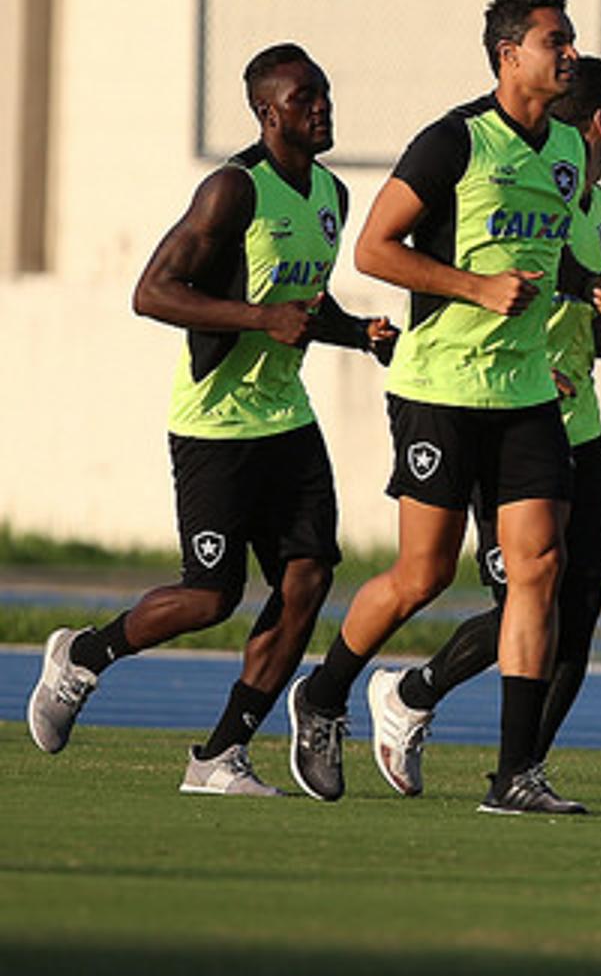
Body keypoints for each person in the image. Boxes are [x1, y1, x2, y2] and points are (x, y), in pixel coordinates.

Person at [288, 0, 601, 815]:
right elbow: (372, 248)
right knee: (423, 572)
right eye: (557, 40)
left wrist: (592, 292)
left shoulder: (569, 156)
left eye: (571, 38)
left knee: (540, 568)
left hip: (526, 392)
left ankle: (515, 774)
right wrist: (473, 287)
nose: (570, 53)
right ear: (511, 55)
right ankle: (323, 696)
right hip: (439, 387)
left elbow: (545, 255)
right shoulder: (453, 141)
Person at [26, 44, 396, 796]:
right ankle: (84, 655)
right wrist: (262, 318)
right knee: (211, 595)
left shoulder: (330, 194)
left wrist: (356, 333)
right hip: (215, 425)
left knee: (309, 577)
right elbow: (153, 291)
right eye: (304, 99)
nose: (321, 108)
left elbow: (303, 307)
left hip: (286, 420)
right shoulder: (232, 190)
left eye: (324, 94)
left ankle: (219, 754)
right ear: (267, 113)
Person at [363, 55, 601, 798]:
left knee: (577, 606)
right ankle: (410, 694)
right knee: (518, 595)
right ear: (599, 122)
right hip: (502, 406)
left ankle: (520, 769)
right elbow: (485, 279)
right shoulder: (485, 158)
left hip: (574, 424)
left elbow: (573, 316)